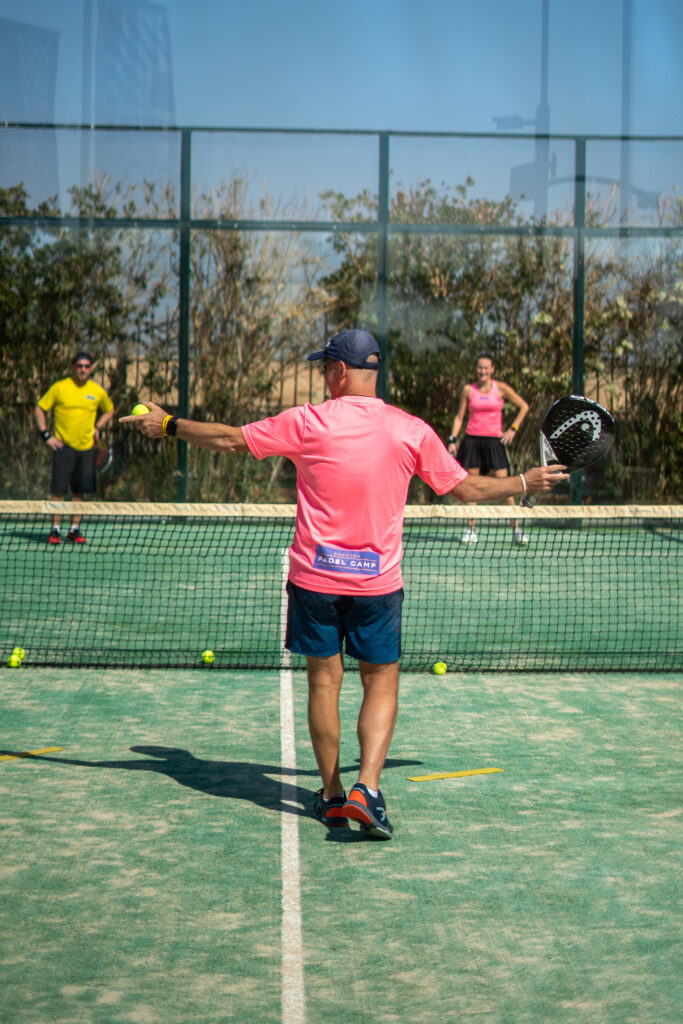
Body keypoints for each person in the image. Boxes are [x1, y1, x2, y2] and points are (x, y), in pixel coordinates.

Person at [121, 329, 566, 840]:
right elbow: (465, 488)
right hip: (378, 585)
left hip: (314, 580)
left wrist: (170, 424)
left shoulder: (308, 421)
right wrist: (525, 482)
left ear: (338, 372)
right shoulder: (410, 429)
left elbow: (229, 438)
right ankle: (368, 790)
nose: (322, 377)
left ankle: (333, 796)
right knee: (380, 682)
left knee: (323, 683)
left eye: (324, 368)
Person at [448, 353, 529, 544]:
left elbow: (524, 406)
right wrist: (452, 439)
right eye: (479, 368)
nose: (482, 371)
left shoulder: (500, 388)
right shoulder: (468, 390)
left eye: (486, 368)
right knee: (471, 487)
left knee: (505, 487)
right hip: (472, 443)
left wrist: (513, 429)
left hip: (494, 443)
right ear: (476, 369)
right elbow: (459, 417)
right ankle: (471, 530)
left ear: (492, 370)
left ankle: (517, 530)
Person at [35, 351, 114, 544]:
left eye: (87, 366)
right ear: (73, 367)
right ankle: (55, 530)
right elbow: (40, 409)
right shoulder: (60, 387)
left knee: (79, 492)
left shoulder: (97, 391)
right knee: (58, 492)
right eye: (80, 365)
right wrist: (46, 435)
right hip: (63, 449)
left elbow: (110, 410)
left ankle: (74, 529)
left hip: (86, 449)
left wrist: (98, 427)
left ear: (91, 368)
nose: (83, 369)